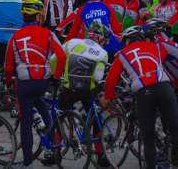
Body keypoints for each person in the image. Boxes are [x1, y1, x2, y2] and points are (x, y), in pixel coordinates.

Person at [101, 26, 178, 169]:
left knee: (148, 138)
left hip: (144, 93)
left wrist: (107, 97)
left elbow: (111, 80)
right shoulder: (154, 47)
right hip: (165, 88)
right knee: (175, 131)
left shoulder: (122, 54)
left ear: (128, 40)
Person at [4, 0, 66, 169]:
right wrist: (56, 76)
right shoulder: (48, 33)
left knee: (26, 123)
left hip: (24, 84)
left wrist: (9, 82)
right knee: (44, 111)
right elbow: (61, 56)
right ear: (38, 16)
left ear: (24, 16)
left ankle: (28, 162)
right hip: (43, 82)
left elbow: (8, 66)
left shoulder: (15, 37)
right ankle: (55, 148)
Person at [54, 21, 109, 167]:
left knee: (57, 117)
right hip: (87, 91)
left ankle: (55, 153)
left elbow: (54, 59)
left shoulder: (72, 43)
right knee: (97, 118)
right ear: (101, 38)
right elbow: (98, 77)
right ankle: (100, 155)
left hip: (68, 88)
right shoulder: (102, 53)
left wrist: (55, 76)